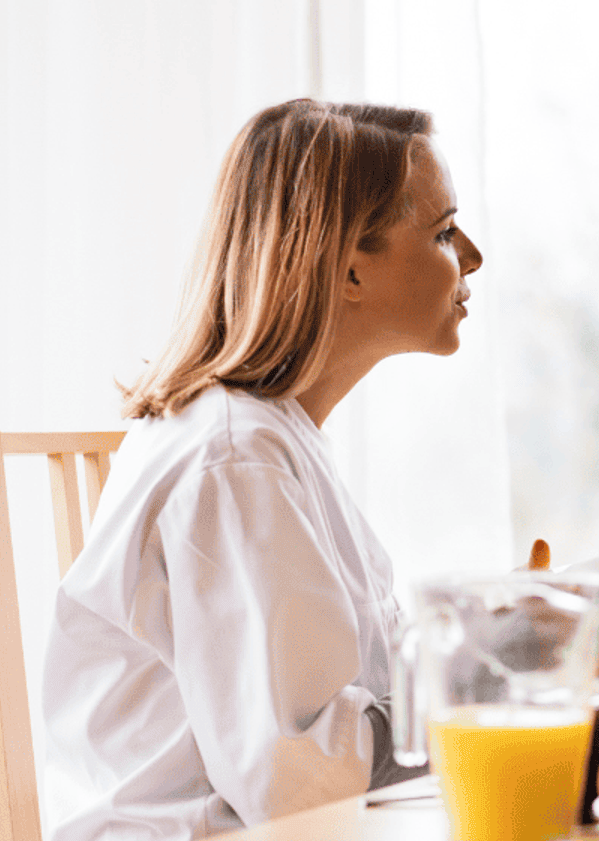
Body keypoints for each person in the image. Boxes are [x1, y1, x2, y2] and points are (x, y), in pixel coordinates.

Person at [41, 100, 490, 840]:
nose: (471, 256)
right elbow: (300, 781)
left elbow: (340, 719)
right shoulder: (235, 460)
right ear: (348, 266)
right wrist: (488, 682)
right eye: (442, 231)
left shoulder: (272, 440)